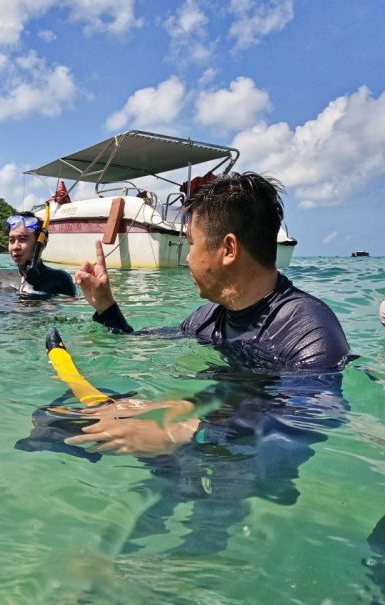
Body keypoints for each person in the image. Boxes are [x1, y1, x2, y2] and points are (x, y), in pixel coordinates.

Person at [66, 172, 352, 457]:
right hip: (219, 420)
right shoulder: (207, 318)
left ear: (228, 249)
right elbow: (138, 342)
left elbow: (313, 415)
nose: (188, 258)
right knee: (62, 425)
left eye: (191, 243)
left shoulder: (309, 330)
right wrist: (106, 307)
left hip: (254, 462)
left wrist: (183, 431)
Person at [0, 211, 74, 296]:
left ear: (42, 244)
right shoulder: (0, 277)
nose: (15, 247)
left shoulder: (60, 279)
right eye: (11, 240)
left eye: (22, 239)